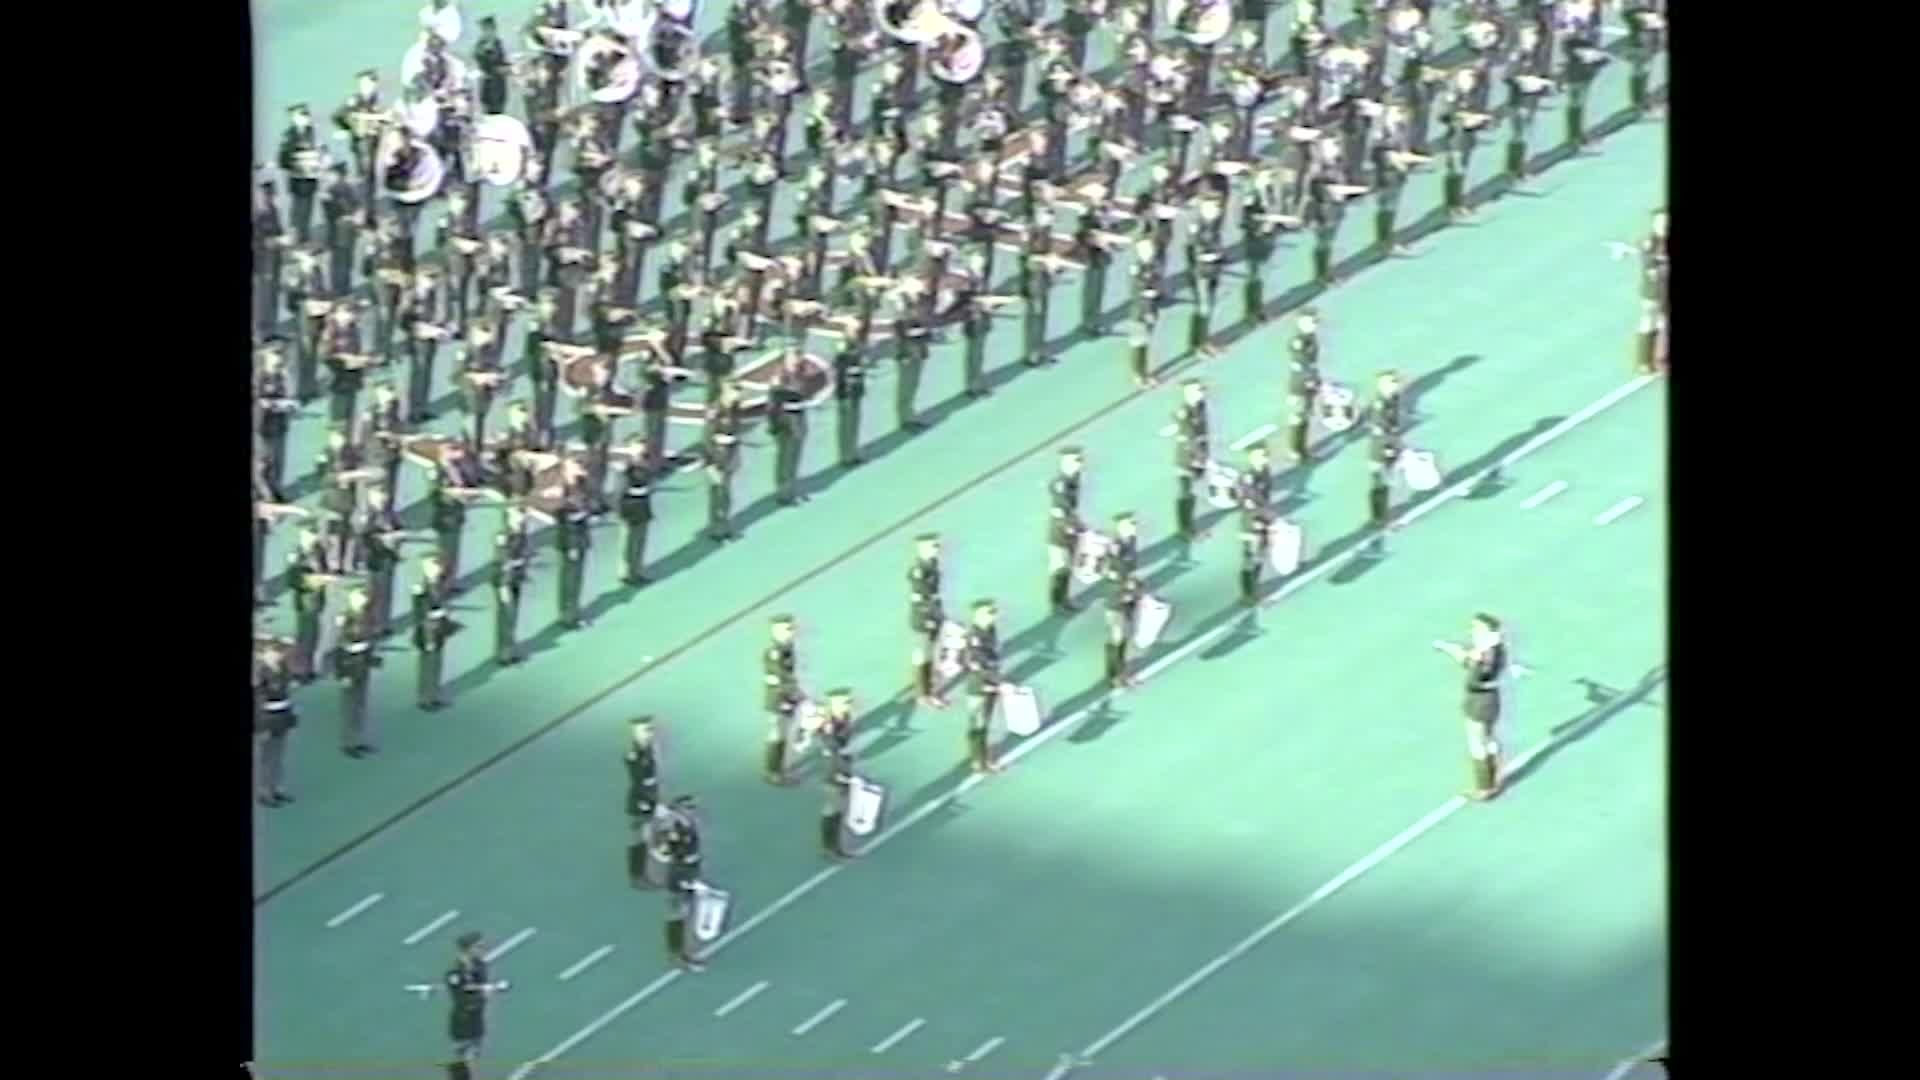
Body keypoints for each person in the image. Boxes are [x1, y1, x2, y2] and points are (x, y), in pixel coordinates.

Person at [1434, 613, 1509, 801]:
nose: (1473, 632)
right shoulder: (1496, 649)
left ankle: (1485, 786)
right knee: (1489, 738)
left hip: (1479, 701)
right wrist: (1450, 648)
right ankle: (1496, 777)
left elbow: (1476, 669)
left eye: (1477, 629)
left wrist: (1469, 656)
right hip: (1490, 698)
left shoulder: (1487, 653)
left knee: (1478, 742)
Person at [444, 931, 511, 1080]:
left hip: (477, 1017)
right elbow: (461, 995)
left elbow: (480, 988)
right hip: (462, 1020)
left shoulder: (480, 965)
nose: (482, 949)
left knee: (474, 1054)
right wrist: (486, 989)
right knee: (465, 1057)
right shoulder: (454, 973)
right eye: (478, 947)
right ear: (468, 949)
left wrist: (488, 990)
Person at [335, 587, 381, 757]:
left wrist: (371, 659)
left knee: (360, 703)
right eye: (359, 597)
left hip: (362, 664)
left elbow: (369, 639)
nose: (363, 600)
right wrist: (343, 673)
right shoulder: (346, 618)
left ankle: (358, 739)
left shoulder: (366, 615)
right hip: (351, 665)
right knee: (350, 706)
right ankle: (348, 742)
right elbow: (341, 648)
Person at [1102, 513, 1145, 690]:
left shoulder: (1130, 543)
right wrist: (1126, 592)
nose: (1133, 527)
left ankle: (1119, 671)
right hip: (1116, 601)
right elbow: (1113, 579)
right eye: (1130, 524)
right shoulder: (1116, 548)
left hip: (1127, 599)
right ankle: (1114, 675)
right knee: (1118, 637)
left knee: (1124, 637)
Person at [907, 533, 949, 709]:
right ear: (922, 548)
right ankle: (923, 693)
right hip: (923, 614)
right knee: (923, 653)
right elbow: (921, 596)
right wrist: (931, 617)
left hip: (933, 610)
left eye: (937, 546)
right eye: (933, 546)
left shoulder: (931, 563)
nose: (937, 550)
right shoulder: (919, 570)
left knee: (930, 651)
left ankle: (926, 687)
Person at [254, 642, 298, 807]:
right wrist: (261, 726)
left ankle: (276, 788)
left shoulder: (283, 668)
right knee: (268, 757)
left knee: (278, 755)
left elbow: (287, 690)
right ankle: (265, 792)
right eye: (275, 652)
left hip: (281, 716)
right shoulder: (261, 673)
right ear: (266, 654)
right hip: (268, 718)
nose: (280, 655)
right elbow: (258, 702)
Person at [963, 600, 1003, 773]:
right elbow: (980, 666)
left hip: (991, 683)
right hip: (979, 686)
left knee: (984, 723)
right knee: (978, 725)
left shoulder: (990, 630)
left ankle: (982, 755)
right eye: (990, 612)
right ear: (977, 615)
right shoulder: (975, 638)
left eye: (994, 611)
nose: (994, 615)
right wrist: (1000, 684)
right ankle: (978, 761)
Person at [817, 688, 857, 859]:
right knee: (833, 807)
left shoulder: (844, 719)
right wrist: (840, 774)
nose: (848, 706)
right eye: (845, 703)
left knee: (840, 807)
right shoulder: (829, 726)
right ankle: (829, 846)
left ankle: (835, 845)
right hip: (833, 770)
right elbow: (832, 751)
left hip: (844, 768)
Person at [1046, 447, 1087, 614]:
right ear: (1065, 462)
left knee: (1068, 566)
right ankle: (1056, 603)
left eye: (1081, 460)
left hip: (1071, 528)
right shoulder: (1060, 484)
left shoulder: (1074, 478)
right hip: (1059, 531)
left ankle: (1065, 599)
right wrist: (1074, 526)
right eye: (1076, 460)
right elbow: (1059, 511)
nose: (1080, 464)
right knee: (1059, 567)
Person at [1236, 443, 1276, 606]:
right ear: (1251, 458)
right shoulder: (1249, 478)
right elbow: (1250, 503)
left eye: (1266, 455)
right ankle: (1248, 594)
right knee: (1250, 559)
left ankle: (1254, 590)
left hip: (1263, 520)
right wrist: (1264, 518)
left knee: (1259, 557)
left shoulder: (1265, 472)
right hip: (1251, 523)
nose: (1265, 458)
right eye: (1261, 455)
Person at [762, 615, 801, 783]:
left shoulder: (788, 647)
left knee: (783, 734)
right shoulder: (774, 653)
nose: (790, 632)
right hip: (777, 699)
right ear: (775, 631)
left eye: (791, 628)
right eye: (787, 629)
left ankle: (779, 768)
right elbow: (780, 677)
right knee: (777, 734)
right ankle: (773, 771)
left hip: (787, 696)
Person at [625, 717, 660, 888]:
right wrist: (647, 803)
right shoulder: (637, 755)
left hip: (646, 797)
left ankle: (641, 872)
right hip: (641, 799)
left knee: (645, 836)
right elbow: (639, 777)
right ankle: (638, 873)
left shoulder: (645, 752)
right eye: (647, 731)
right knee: (641, 837)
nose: (649, 734)